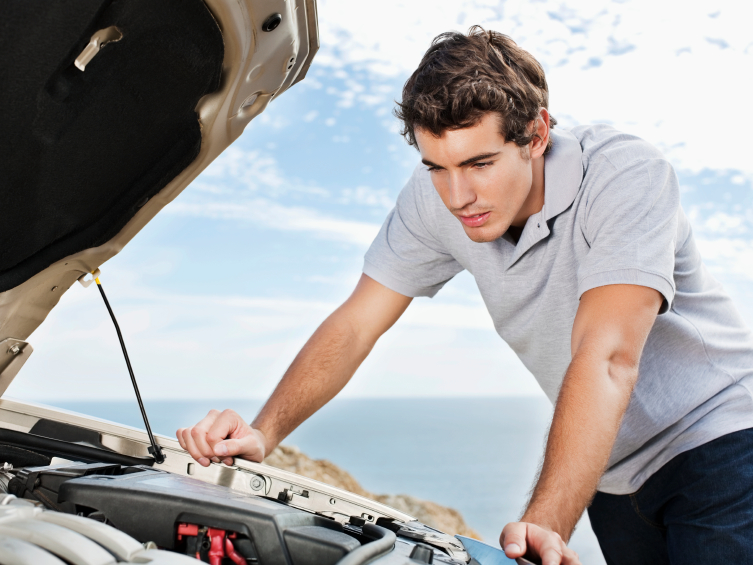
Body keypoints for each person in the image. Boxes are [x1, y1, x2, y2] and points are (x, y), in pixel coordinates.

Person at [177, 26, 753, 565]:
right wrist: (264, 431)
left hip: (722, 443)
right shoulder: (435, 201)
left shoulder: (624, 176)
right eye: (437, 167)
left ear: (537, 134)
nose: (458, 196)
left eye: (480, 163)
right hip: (609, 474)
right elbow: (356, 323)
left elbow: (607, 359)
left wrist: (546, 521)